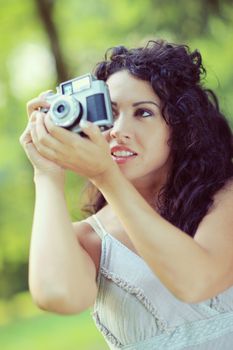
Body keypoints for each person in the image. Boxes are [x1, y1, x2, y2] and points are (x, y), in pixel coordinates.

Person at [20, 40, 233, 349]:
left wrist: (106, 176)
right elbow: (58, 295)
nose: (119, 129)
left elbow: (196, 282)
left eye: (143, 113)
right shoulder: (92, 239)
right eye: (110, 112)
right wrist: (47, 174)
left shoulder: (224, 196)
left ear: (181, 124)